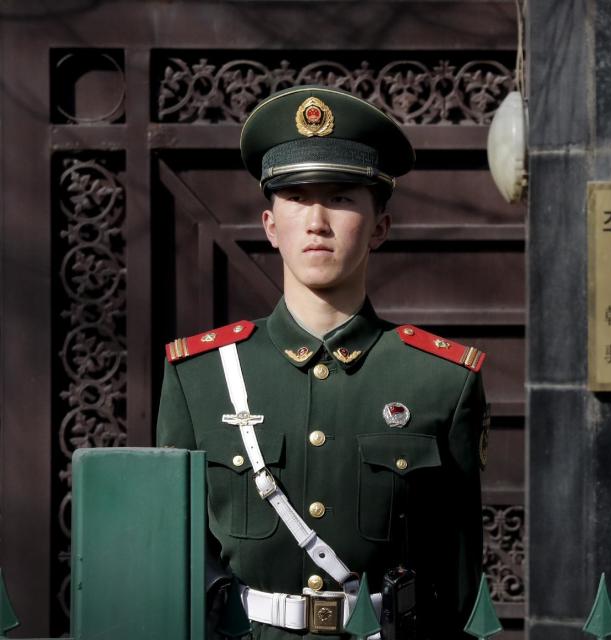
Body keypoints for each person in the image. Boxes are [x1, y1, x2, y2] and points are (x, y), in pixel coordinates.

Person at [156, 85, 489, 640]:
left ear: (379, 226)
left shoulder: (441, 381)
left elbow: (457, 580)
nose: (316, 220)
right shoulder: (199, 376)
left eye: (340, 198)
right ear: (269, 225)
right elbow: (172, 561)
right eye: (296, 197)